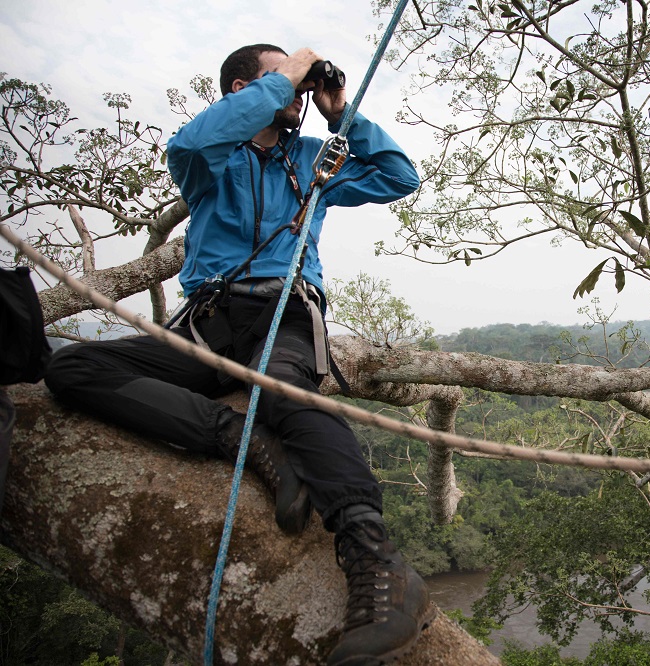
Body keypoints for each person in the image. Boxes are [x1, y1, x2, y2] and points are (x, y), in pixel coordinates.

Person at [44, 44, 432, 664]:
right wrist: (285, 78)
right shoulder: (212, 164)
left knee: (281, 388)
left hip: (285, 309)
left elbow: (399, 177)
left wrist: (339, 112)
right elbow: (192, 147)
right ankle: (239, 438)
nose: (298, 94)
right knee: (73, 367)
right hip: (209, 322)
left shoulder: (311, 162)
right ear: (242, 88)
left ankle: (375, 558)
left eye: (300, 85)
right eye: (286, 82)